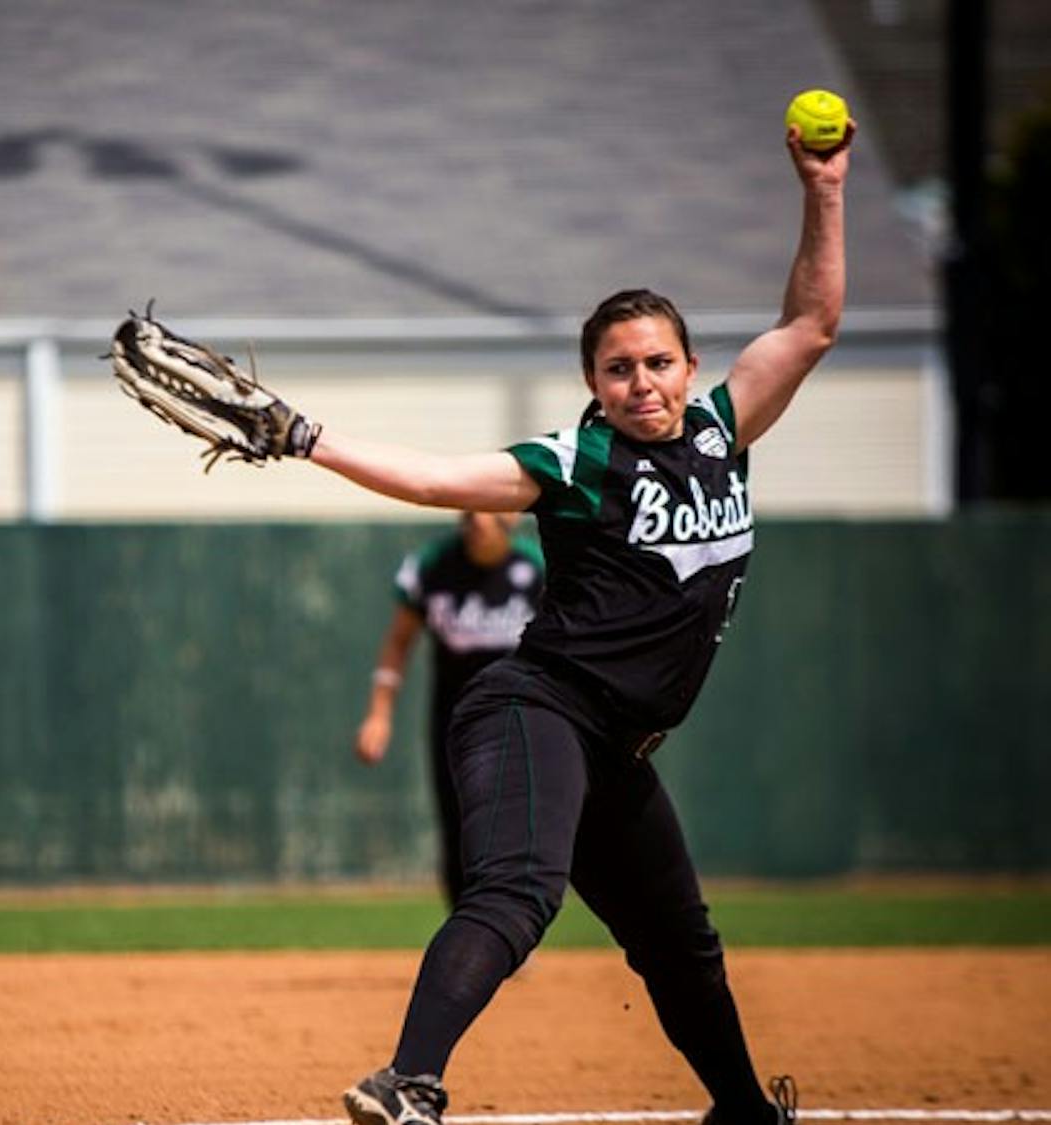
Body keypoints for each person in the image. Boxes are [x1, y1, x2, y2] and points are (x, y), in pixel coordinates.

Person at [265, 122, 851, 1125]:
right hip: (536, 709)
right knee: (517, 891)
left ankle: (744, 1113)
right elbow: (433, 478)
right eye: (618, 369)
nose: (641, 382)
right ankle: (407, 1081)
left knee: (679, 941)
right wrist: (308, 438)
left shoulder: (724, 429)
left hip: (618, 746)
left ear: (690, 365)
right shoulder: (576, 462)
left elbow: (811, 325)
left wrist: (825, 189)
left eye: (657, 362)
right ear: (594, 385)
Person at [356, 512, 545, 909]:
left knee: (516, 827)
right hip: (455, 718)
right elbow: (398, 643)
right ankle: (467, 923)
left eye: (487, 511)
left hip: (520, 717)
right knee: (459, 826)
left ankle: (511, 920)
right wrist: (379, 713)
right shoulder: (434, 566)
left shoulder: (536, 568)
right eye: (470, 513)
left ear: (510, 517)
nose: (477, 522)